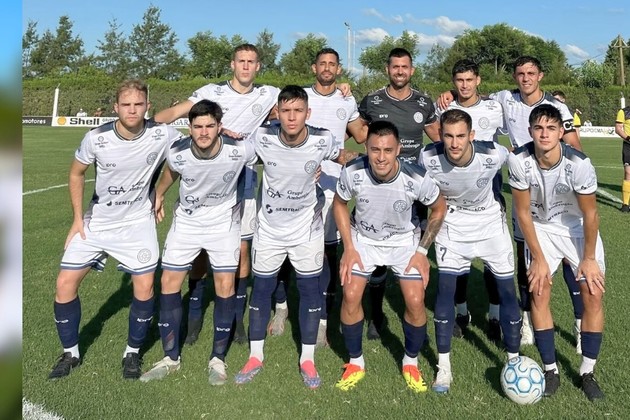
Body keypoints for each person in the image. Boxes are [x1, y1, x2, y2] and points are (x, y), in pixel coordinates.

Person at [438, 56, 583, 349]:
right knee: (523, 257)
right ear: (515, 77)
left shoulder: (557, 107)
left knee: (571, 259)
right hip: (524, 191)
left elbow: (575, 146)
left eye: (531, 73)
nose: (525, 78)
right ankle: (527, 322)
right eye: (520, 73)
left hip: (558, 191)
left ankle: (580, 325)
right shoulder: (505, 100)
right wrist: (452, 93)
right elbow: (472, 98)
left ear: (540, 76)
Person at [47, 79, 184, 380]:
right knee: (64, 283)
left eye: (138, 104)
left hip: (137, 224)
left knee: (144, 287)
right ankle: (71, 353)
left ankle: (132, 353)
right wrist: (77, 219)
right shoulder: (96, 138)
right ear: (115, 107)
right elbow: (76, 173)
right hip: (97, 222)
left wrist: (160, 192)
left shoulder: (163, 134)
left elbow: (188, 152)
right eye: (126, 105)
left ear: (148, 106)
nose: (132, 110)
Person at [154, 44, 280, 346]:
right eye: (241, 61)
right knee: (199, 253)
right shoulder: (212, 92)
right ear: (232, 64)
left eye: (251, 62)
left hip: (243, 179)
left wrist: (341, 87)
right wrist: (173, 134)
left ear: (258, 66)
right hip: (206, 180)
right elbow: (168, 114)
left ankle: (235, 318)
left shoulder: (268, 94)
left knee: (242, 250)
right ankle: (195, 314)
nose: (246, 66)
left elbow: (303, 100)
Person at [234, 85, 358, 389]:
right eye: (286, 111)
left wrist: (373, 159)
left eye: (298, 111)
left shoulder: (322, 139)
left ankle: (307, 359)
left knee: (310, 291)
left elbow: (342, 155)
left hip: (307, 232)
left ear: (308, 113)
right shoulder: (262, 137)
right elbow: (233, 152)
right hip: (269, 231)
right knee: (261, 290)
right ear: (277, 112)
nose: (291, 117)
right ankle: (255, 356)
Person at [139, 100, 257, 385]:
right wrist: (159, 194)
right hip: (187, 222)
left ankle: (217, 359)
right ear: (189, 127)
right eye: (197, 126)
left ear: (220, 127)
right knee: (169, 282)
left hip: (223, 223)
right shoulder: (178, 152)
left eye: (209, 126)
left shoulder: (240, 149)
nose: (203, 132)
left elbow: (279, 155)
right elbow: (170, 172)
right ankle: (171, 358)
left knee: (225, 285)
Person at [333, 120, 446, 393]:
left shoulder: (417, 177)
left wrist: (422, 251)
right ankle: (355, 362)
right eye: (375, 150)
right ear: (366, 148)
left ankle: (410, 362)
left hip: (403, 242)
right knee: (350, 295)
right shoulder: (353, 171)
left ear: (398, 150)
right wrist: (349, 247)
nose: (381, 157)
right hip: (364, 239)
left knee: (416, 301)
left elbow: (439, 208)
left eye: (387, 150)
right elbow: (339, 203)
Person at [268, 48, 366, 348]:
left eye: (332, 64)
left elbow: (361, 134)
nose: (326, 68)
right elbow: (273, 122)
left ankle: (323, 320)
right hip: (295, 185)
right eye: (322, 63)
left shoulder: (346, 100)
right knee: (286, 249)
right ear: (314, 68)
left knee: (328, 253)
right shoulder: (300, 98)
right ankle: (281, 308)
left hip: (332, 185)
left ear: (338, 70)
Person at [419, 109, 521, 393]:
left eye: (461, 136)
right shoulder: (428, 157)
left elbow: (522, 159)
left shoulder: (493, 153)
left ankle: (513, 361)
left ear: (472, 136)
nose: (454, 143)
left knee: (507, 291)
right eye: (448, 136)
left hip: (490, 225)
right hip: (451, 226)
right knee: (445, 291)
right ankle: (444, 368)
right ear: (440, 135)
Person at [508, 104, 605, 402]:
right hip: (540, 228)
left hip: (576, 228)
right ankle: (550, 370)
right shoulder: (518, 160)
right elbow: (522, 213)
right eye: (539, 128)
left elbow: (590, 215)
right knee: (538, 291)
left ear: (561, 131)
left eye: (551, 128)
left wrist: (589, 259)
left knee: (592, 293)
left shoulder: (579, 163)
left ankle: (587, 371)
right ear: (530, 131)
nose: (544, 134)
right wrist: (538, 258)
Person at [357, 47, 440, 340]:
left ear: (412, 70)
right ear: (388, 69)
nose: (400, 71)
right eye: (395, 67)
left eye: (405, 67)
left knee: (413, 253)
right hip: (378, 188)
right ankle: (376, 315)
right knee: (376, 253)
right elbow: (355, 131)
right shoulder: (372, 100)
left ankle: (415, 314)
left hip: (411, 192)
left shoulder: (424, 103)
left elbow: (439, 138)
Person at [433, 59, 506, 341]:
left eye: (469, 80)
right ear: (454, 82)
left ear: (478, 80)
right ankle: (461, 312)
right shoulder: (445, 106)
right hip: (453, 187)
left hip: (490, 188)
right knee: (458, 255)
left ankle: (495, 315)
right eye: (459, 81)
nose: (464, 85)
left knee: (493, 258)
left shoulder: (494, 107)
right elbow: (437, 139)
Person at [614, 105, 630, 213]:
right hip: (628, 145)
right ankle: (625, 204)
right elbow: (618, 128)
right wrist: (628, 138)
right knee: (628, 173)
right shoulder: (624, 112)